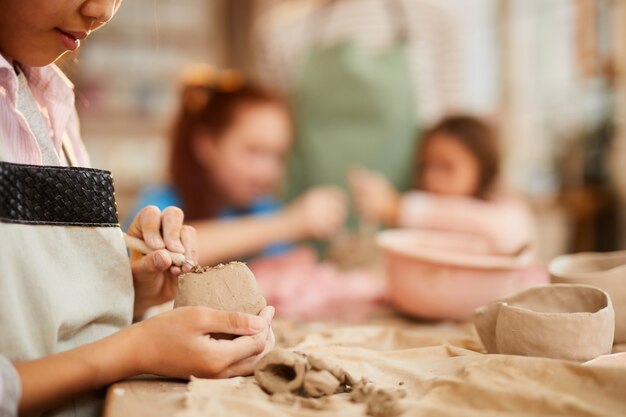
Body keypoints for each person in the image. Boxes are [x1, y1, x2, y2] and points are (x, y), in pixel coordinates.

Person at [0, 2, 274, 417]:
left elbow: (40, 322)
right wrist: (135, 349)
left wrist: (130, 295)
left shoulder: (51, 100)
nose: (102, 10)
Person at [130, 66, 347, 266]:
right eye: (254, 151)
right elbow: (165, 252)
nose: (268, 172)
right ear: (207, 145)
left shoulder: (264, 208)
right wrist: (289, 223)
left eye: (278, 156)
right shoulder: (157, 205)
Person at [350, 115, 535, 255]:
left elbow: (506, 234)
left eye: (446, 167)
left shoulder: (506, 210)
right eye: (425, 167)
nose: (431, 178)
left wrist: (399, 208)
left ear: (483, 169)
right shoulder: (418, 228)